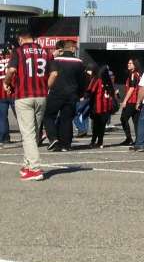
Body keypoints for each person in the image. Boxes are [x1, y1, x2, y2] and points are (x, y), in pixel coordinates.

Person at [4, 30, 50, 181]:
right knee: (34, 132)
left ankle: (35, 169)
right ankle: (28, 164)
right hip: (41, 95)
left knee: (28, 133)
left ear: (20, 39)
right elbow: (54, 73)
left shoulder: (18, 51)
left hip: (24, 95)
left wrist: (7, 83)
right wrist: (45, 87)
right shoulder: (44, 51)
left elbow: (11, 70)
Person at [43, 42, 90, 152]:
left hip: (56, 93)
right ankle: (66, 145)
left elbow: (49, 75)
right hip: (71, 94)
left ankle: (53, 138)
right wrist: (81, 94)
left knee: (48, 116)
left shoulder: (55, 60)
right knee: (67, 119)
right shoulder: (79, 62)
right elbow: (83, 80)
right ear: (72, 49)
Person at [86, 65, 116, 148]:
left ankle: (93, 141)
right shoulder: (109, 82)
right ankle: (100, 142)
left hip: (97, 106)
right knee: (102, 126)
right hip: (107, 107)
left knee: (96, 125)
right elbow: (112, 94)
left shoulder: (97, 80)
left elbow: (91, 91)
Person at [118, 58, 142, 146]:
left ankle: (129, 139)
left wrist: (124, 101)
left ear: (135, 65)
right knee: (136, 121)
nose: (128, 64)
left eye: (130, 63)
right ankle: (138, 140)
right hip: (138, 102)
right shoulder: (139, 74)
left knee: (123, 119)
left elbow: (132, 88)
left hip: (132, 101)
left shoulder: (133, 75)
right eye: (128, 63)